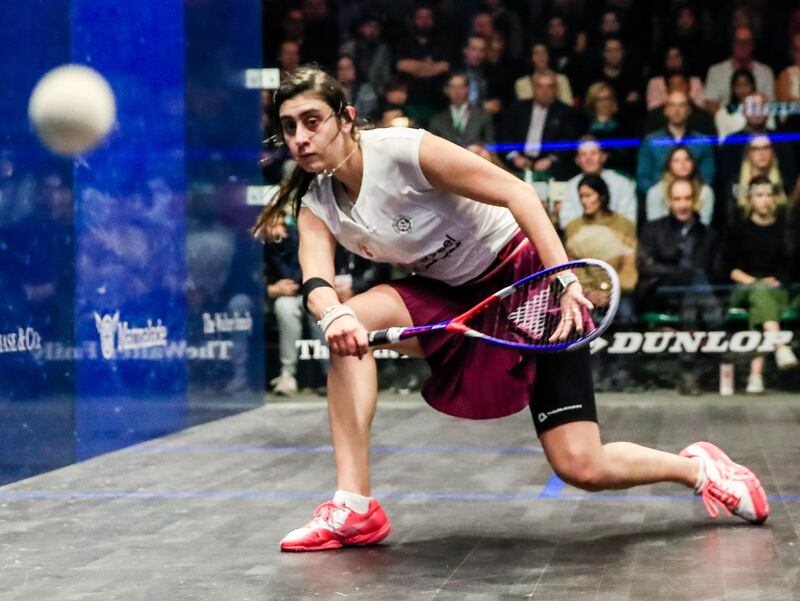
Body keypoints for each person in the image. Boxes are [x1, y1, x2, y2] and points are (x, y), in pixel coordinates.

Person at [252, 65, 769, 553]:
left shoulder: (405, 151)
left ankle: (699, 469)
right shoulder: (317, 202)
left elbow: (519, 194)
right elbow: (316, 281)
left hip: (525, 279)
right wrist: (333, 313)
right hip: (451, 294)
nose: (300, 137)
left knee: (581, 465)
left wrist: (563, 279)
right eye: (289, 126)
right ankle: (355, 505)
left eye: (312, 121)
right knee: (349, 324)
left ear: (344, 119)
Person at [636, 177, 724, 396]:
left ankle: (688, 371)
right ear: (669, 201)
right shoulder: (653, 229)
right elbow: (648, 268)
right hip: (661, 292)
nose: (682, 204)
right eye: (677, 199)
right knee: (695, 280)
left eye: (687, 198)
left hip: (693, 298)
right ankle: (717, 327)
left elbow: (717, 272)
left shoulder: (709, 234)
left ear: (695, 200)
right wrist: (683, 274)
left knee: (692, 293)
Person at [725, 176, 799, 394]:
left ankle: (755, 375)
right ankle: (779, 346)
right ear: (750, 199)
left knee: (764, 309)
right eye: (759, 195)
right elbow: (730, 269)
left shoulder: (787, 231)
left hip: (778, 291)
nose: (764, 200)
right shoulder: (739, 230)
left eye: (768, 195)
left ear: (775, 199)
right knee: (760, 293)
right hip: (745, 288)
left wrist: (777, 281)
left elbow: (791, 267)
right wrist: (755, 282)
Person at [500, 70, 581, 180]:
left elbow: (568, 140)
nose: (544, 91)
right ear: (533, 88)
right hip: (517, 162)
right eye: (540, 86)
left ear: (556, 89)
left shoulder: (566, 112)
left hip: (551, 166)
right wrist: (515, 156)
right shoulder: (517, 109)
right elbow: (504, 134)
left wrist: (551, 159)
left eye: (549, 86)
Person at [636, 90, 715, 196]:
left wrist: (689, 197)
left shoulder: (703, 141)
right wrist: (663, 197)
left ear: (689, 110)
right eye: (672, 105)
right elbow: (643, 177)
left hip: (694, 201)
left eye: (681, 105)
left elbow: (708, 177)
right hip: (659, 200)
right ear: (665, 110)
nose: (676, 110)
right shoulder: (651, 141)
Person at [559, 137, 636, 230]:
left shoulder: (622, 184)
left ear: (603, 157)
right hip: (581, 240)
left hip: (616, 240)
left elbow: (629, 221)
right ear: (577, 160)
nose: (588, 158)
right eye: (583, 155)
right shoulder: (571, 186)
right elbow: (566, 222)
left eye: (593, 153)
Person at [704, 26, 775, 115]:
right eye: (738, 42)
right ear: (732, 44)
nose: (742, 45)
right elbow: (710, 103)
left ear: (752, 45)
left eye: (747, 42)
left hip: (758, 121)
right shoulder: (715, 71)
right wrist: (728, 120)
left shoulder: (766, 72)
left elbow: (770, 103)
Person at [428, 72, 494, 160]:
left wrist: (480, 150)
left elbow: (490, 144)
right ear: (446, 90)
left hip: (477, 163)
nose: (457, 91)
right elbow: (432, 149)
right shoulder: (437, 120)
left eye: (461, 87)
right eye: (453, 87)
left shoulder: (482, 115)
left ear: (467, 89)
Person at [645, 145, 715, 226]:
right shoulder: (655, 192)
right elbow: (654, 227)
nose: (683, 164)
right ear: (669, 165)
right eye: (676, 160)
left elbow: (704, 226)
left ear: (693, 163)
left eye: (687, 159)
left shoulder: (705, 192)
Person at [514, 42, 574, 107]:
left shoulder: (561, 79)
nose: (541, 56)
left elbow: (568, 105)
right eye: (536, 53)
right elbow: (526, 108)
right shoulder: (522, 83)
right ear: (531, 58)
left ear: (548, 56)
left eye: (544, 52)